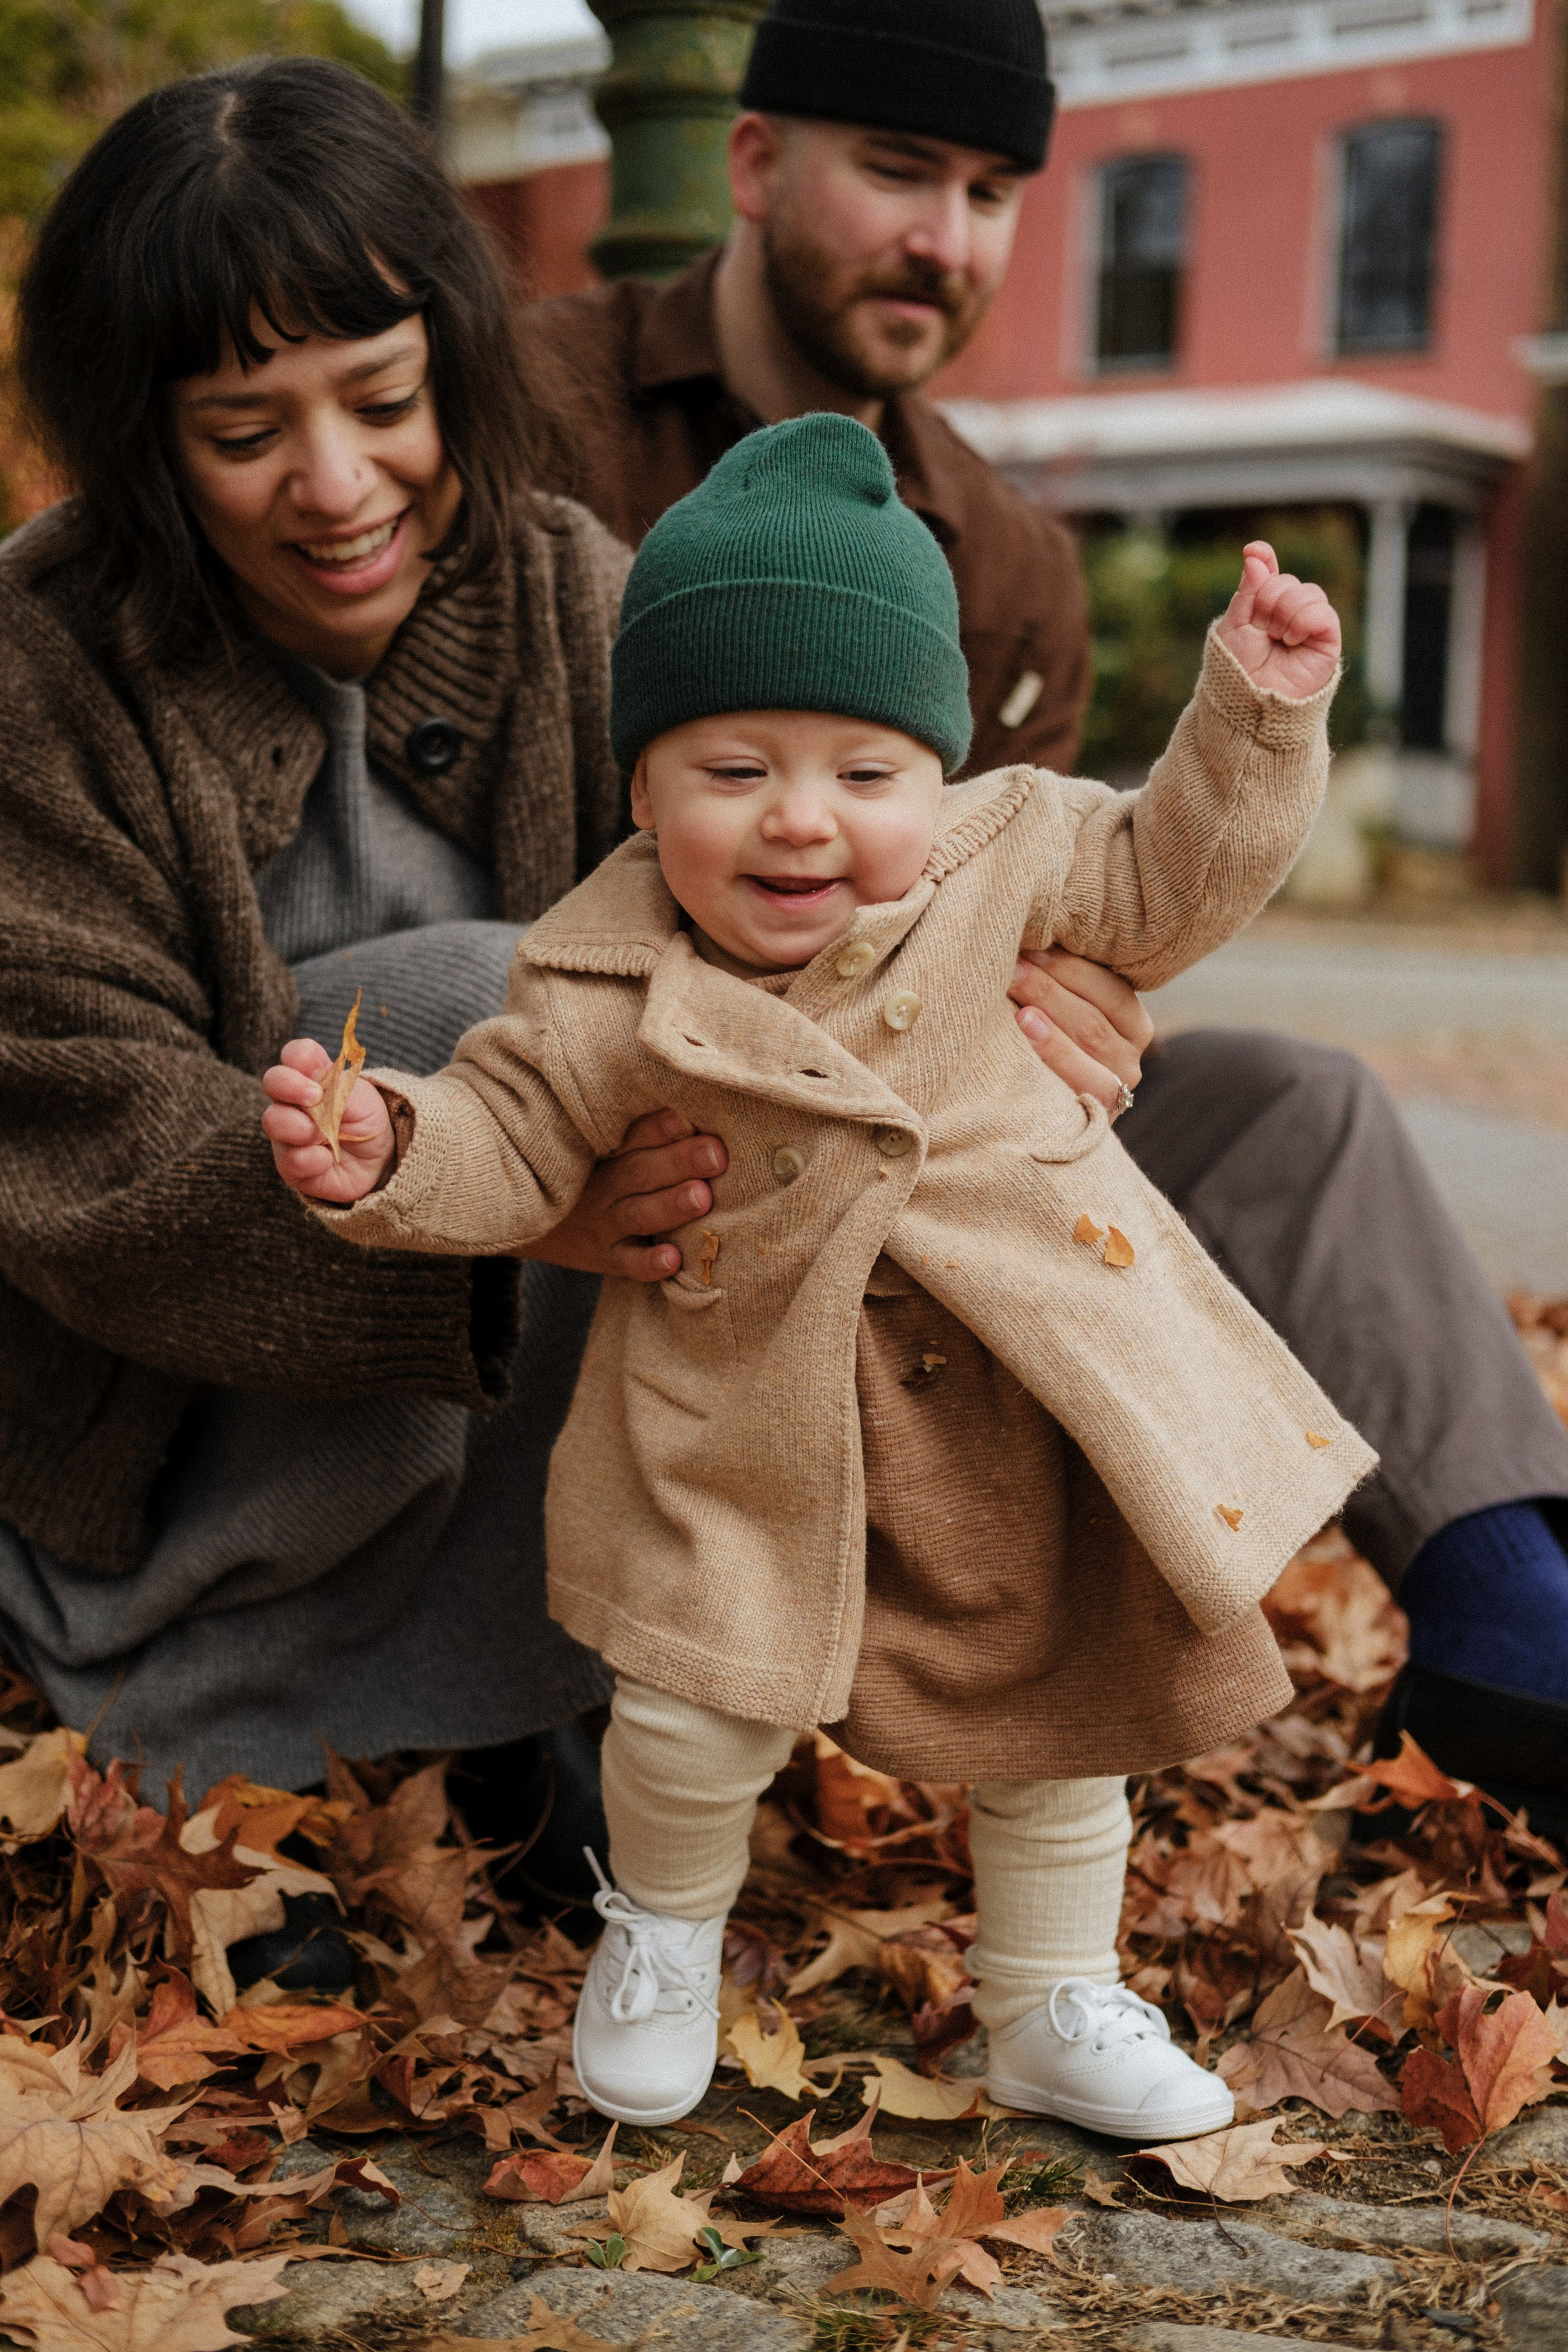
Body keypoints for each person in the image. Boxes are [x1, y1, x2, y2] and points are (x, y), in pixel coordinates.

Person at [0, 53, 1106, 1970]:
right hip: (145, 1404)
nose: (337, 487)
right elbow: (70, 1132)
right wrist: (486, 1201)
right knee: (476, 1006)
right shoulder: (43, 663)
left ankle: (507, 1719)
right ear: (142, 439)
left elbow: (812, 915)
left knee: (650, 1040)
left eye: (383, 401)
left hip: (537, 1370)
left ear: (457, 367)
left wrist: (1025, 1004)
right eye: (242, 429)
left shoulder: (578, 595)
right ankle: (235, 1749)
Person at [525, 0, 1568, 1828]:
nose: (952, 237)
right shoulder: (545, 418)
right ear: (757, 162)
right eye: (901, 168)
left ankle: (1518, 1624)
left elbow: (1077, 911)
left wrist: (1085, 992)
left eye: (999, 189)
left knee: (1298, 1102)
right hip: (651, 1112)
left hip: (938, 1141)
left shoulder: (1002, 559)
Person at [262, 414, 1365, 2135]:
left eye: (864, 774)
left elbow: (1169, 875)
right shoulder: (607, 973)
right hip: (744, 1416)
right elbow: (518, 1122)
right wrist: (392, 1146)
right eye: (732, 770)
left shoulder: (1016, 857)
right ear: (642, 789)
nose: (801, 823)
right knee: (694, 1712)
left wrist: (1254, 715)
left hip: (1019, 1385)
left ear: (937, 778)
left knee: (1063, 1724)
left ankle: (1054, 1997)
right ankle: (663, 1933)